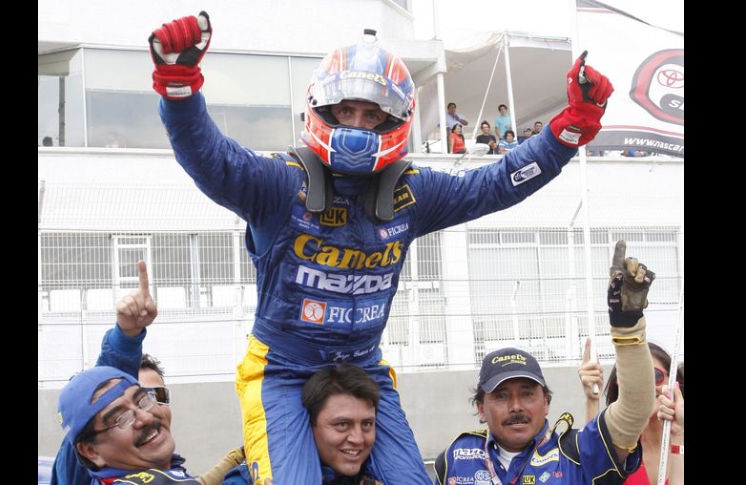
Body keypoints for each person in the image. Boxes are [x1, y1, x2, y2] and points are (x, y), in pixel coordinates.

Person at [148, 12, 613, 484]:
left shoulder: (413, 192)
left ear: (396, 120)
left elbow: (494, 185)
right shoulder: (279, 184)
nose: (357, 125)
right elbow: (211, 160)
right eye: (346, 110)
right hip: (281, 371)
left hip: (364, 367)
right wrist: (178, 84)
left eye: (372, 115)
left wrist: (569, 128)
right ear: (321, 109)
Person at [435, 241, 657, 484]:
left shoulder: (578, 452)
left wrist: (627, 326)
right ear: (480, 408)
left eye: (528, 394)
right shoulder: (454, 458)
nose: (516, 406)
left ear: (546, 402)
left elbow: (635, 409)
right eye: (501, 396)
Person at [52, 261, 243, 485]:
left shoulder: (173, 474)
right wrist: (124, 340)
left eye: (144, 399)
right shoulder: (85, 473)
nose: (145, 417)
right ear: (90, 451)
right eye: (120, 418)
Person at [224, 363, 384, 484]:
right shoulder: (249, 479)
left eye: (367, 424)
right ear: (308, 425)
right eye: (342, 425)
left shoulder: (382, 475)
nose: (358, 439)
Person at [580, 343, 685, 485]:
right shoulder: (619, 450)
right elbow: (591, 471)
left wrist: (677, 435)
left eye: (654, 375)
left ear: (673, 381)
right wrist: (592, 400)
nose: (645, 386)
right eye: (634, 378)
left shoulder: (680, 439)